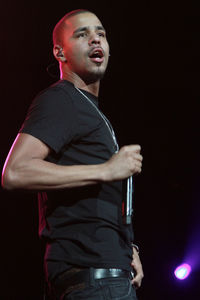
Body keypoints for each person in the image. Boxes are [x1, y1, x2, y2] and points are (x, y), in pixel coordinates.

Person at [1, 9, 144, 300]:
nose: (95, 39)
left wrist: (128, 247)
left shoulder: (87, 109)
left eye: (101, 33)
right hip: (94, 280)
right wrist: (105, 170)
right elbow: (15, 172)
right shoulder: (61, 99)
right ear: (59, 51)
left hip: (105, 275)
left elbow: (93, 202)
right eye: (82, 34)